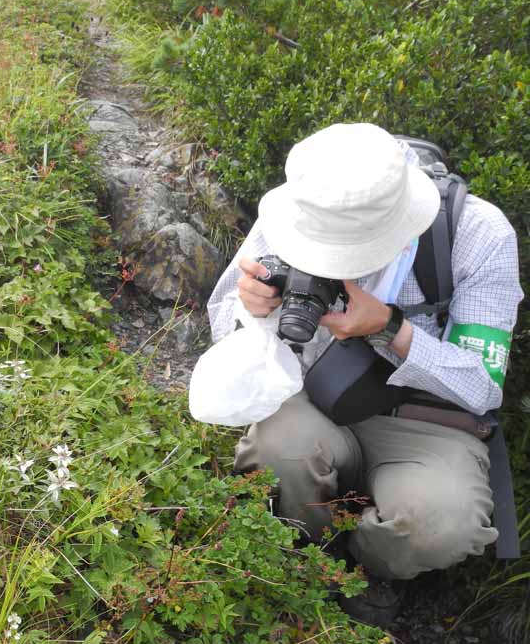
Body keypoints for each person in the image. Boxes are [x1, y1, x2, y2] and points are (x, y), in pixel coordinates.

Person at [205, 123, 523, 593]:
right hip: (312, 394)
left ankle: (364, 575)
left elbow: (481, 386)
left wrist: (391, 329)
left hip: (429, 423)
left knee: (437, 526)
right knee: (277, 452)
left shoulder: (479, 234)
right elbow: (222, 319)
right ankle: (300, 564)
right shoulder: (302, 207)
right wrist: (252, 312)